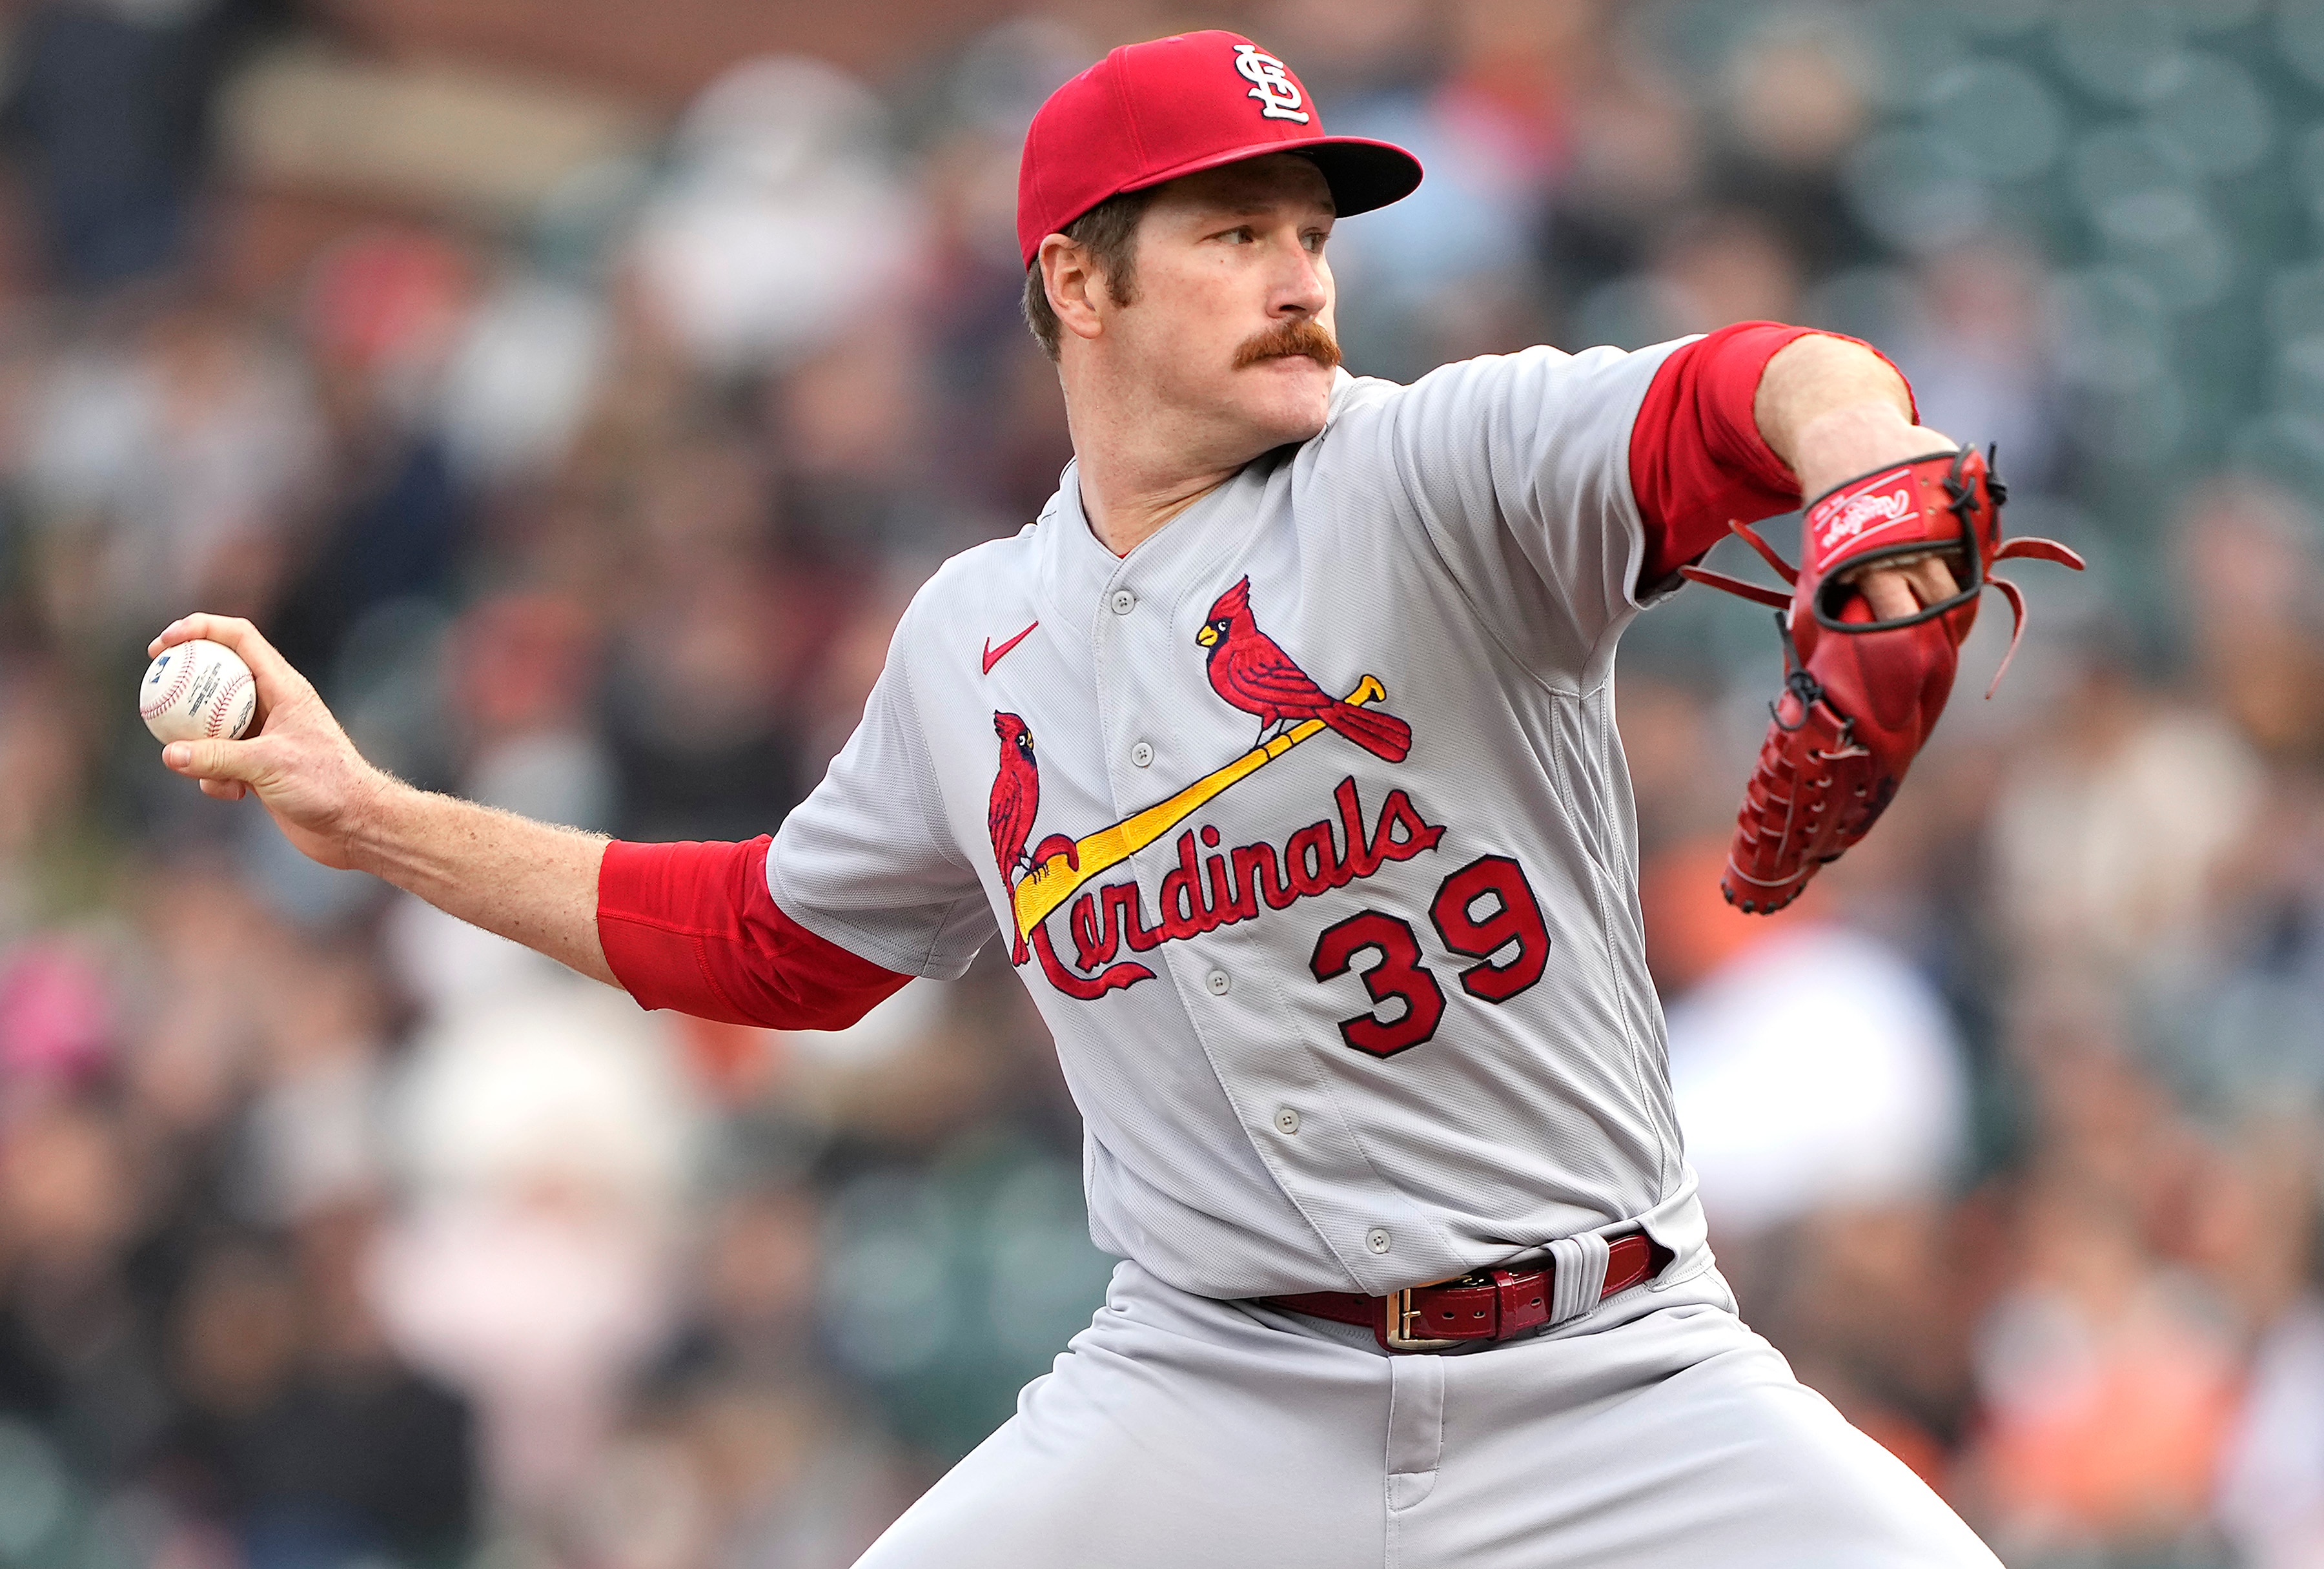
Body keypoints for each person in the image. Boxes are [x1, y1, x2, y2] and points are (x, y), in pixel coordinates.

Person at [152, 30, 1998, 1568]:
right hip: (1212, 1395)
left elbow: (1762, 388)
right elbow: (763, 945)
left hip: (1612, 1376)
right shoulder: (971, 642)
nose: (1302, 276)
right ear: (1075, 280)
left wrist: (1876, 480)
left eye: (1314, 233)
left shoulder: (1433, 468)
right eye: (1235, 231)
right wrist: (369, 813)